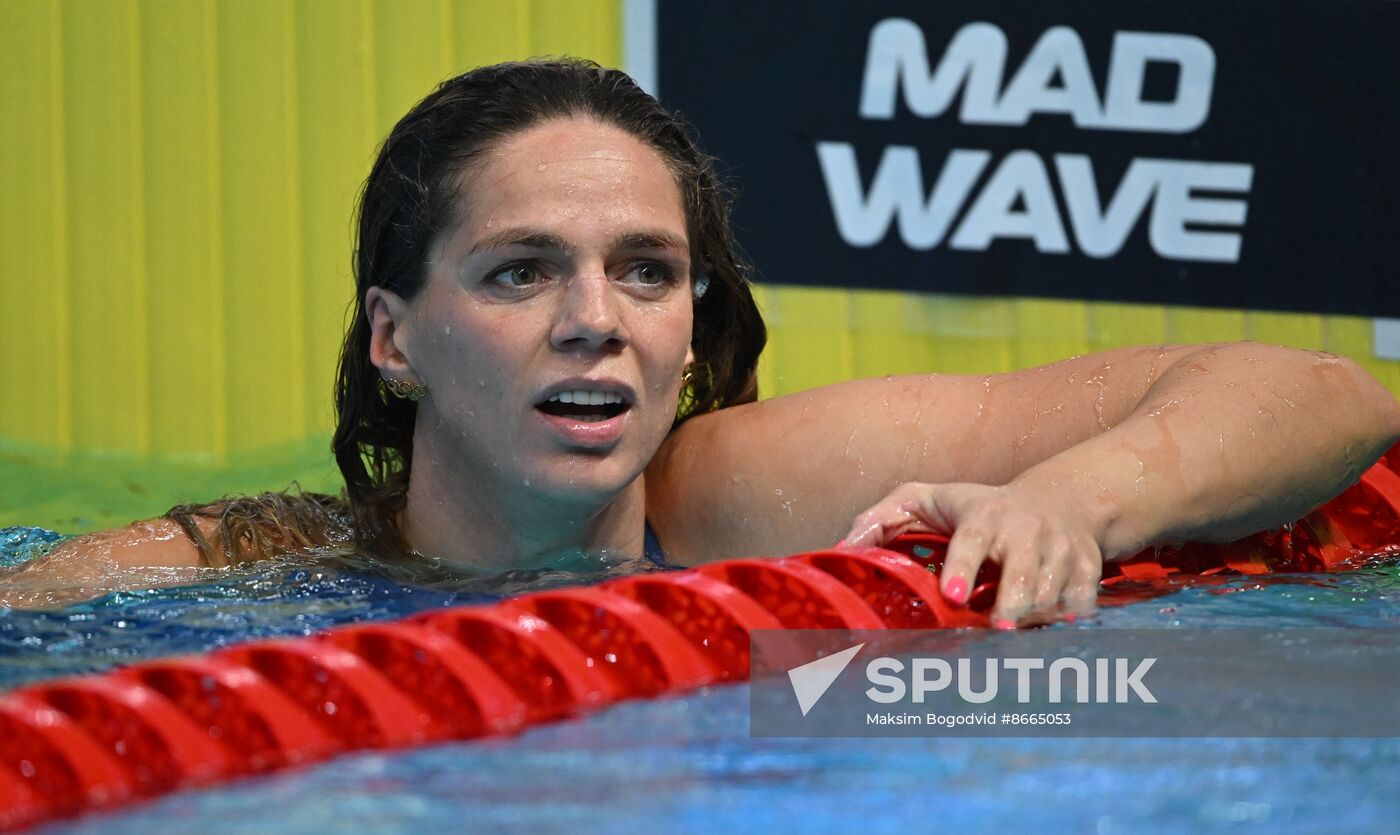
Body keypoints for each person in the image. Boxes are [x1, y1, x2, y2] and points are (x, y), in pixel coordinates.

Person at [7, 59, 1399, 626]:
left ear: (690, 325)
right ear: (396, 339)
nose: (594, 320)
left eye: (646, 271)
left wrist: (1073, 501)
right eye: (519, 271)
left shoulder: (742, 494)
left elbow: (1331, 395)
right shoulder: (242, 574)